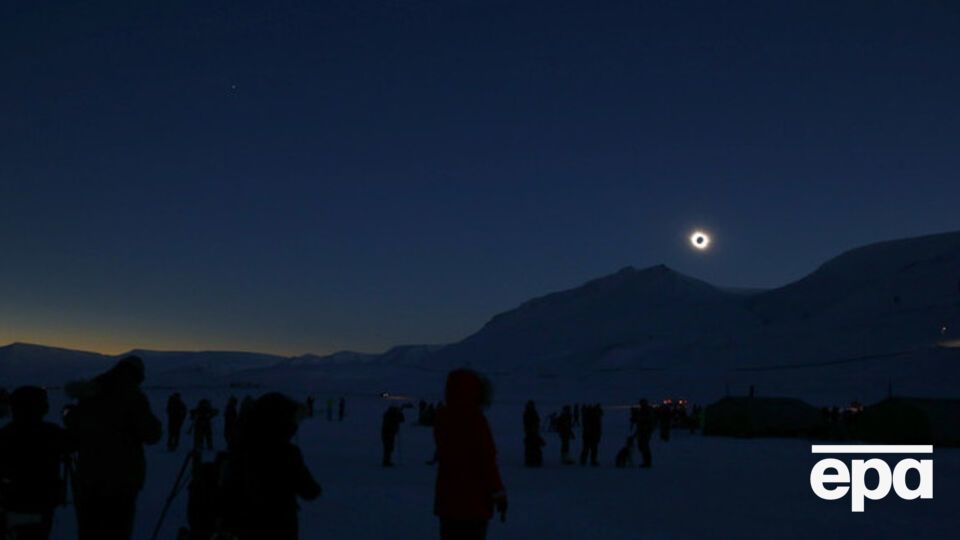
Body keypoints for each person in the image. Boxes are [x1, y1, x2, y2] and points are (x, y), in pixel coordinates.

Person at [64, 355, 162, 540]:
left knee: (89, 530)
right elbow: (152, 434)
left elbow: (74, 430)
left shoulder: (90, 392)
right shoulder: (133, 396)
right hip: (122, 479)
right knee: (118, 530)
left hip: (88, 475)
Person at [221, 393, 321, 540]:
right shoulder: (287, 453)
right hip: (279, 526)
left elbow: (230, 488)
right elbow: (310, 490)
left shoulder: (241, 448)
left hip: (246, 526)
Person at [434, 369, 506, 540]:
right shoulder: (476, 421)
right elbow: (486, 461)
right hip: (473, 504)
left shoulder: (443, 417)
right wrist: (498, 493)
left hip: (447, 502)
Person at [0, 386, 71, 540]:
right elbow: (75, 441)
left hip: (11, 503)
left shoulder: (5, 435)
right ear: (43, 408)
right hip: (42, 504)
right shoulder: (53, 433)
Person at [631, 399, 654, 468]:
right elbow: (639, 419)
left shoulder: (648, 411)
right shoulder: (641, 411)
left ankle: (647, 463)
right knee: (641, 446)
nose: (641, 405)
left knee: (645, 446)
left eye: (642, 403)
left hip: (646, 430)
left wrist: (639, 419)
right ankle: (646, 462)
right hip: (641, 430)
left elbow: (648, 419)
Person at [522, 401, 544, 467]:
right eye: (529, 405)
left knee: (536, 446)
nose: (531, 406)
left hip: (534, 432)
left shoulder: (534, 412)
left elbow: (537, 421)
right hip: (529, 432)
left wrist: (535, 428)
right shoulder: (527, 413)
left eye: (531, 405)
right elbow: (527, 422)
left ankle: (536, 460)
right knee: (529, 447)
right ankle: (529, 460)